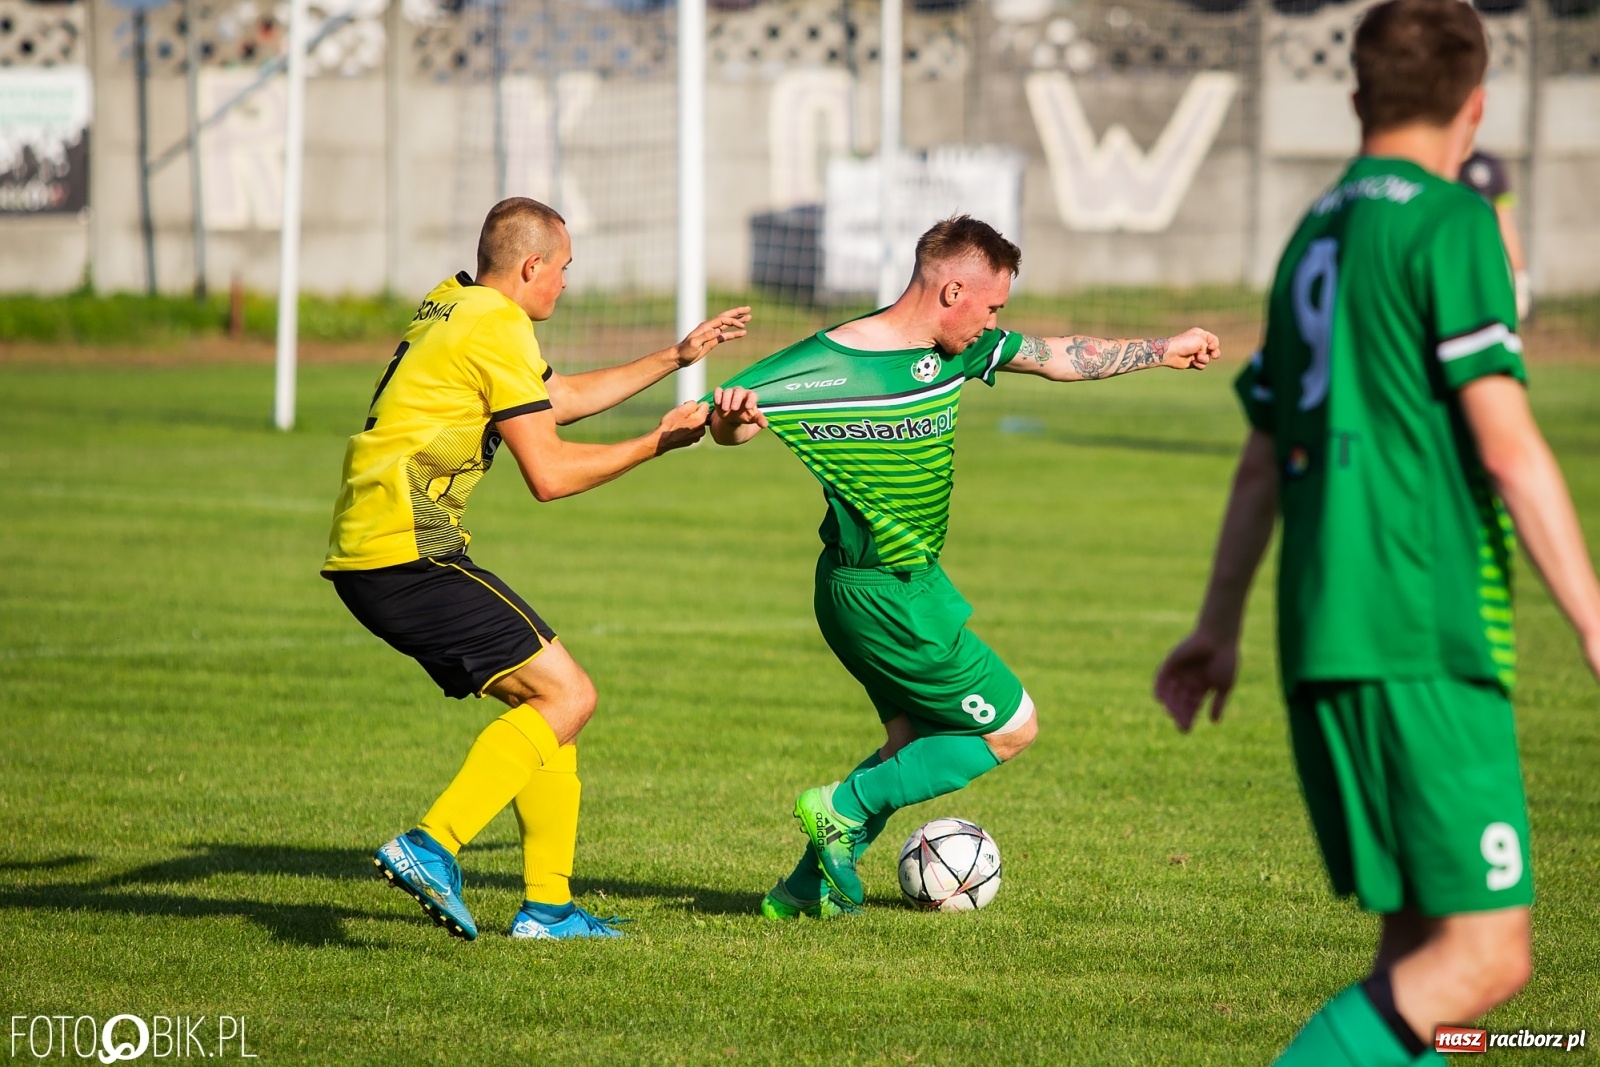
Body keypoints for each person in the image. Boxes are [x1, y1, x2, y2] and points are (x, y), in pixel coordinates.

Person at [1153, 2, 1600, 1063]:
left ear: (1354, 99)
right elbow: (1504, 443)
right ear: (1475, 108)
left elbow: (1261, 453)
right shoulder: (1450, 223)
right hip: (1422, 629)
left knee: (1421, 962)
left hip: (1324, 635)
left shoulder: (1313, 231)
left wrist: (1217, 626)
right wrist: (1591, 615)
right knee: (1489, 955)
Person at [709, 215, 1220, 918]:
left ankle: (805, 886)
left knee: (912, 741)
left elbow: (1061, 353)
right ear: (953, 289)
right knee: (1011, 726)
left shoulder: (955, 350)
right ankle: (839, 806)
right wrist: (733, 418)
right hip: (883, 593)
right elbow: (730, 422)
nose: (994, 322)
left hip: (892, 586)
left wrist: (1165, 348)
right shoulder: (832, 360)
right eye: (992, 306)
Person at [322, 197, 750, 941]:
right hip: (407, 548)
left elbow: (550, 397)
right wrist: (658, 443)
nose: (565, 285)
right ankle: (432, 843)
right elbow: (548, 473)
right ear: (531, 265)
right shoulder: (498, 324)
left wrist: (675, 359)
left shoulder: (455, 303)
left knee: (554, 710)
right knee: (571, 694)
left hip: (378, 549)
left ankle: (547, 908)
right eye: (564, 270)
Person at [1459, 148, 1531, 320]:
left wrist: (1519, 277)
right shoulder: (1431, 163)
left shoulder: (1489, 164)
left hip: (1484, 265)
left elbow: (1505, 221)